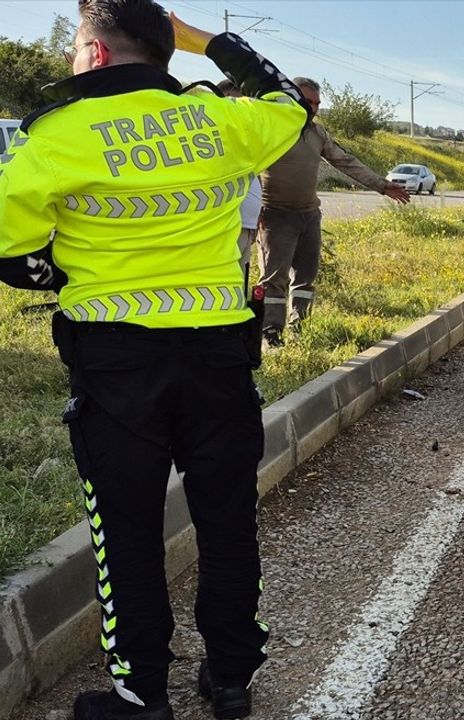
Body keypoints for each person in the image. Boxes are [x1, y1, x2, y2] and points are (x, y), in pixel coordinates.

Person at [0, 4, 310, 718]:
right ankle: (232, 678)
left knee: (128, 530)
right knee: (228, 520)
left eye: (79, 47)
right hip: (220, 358)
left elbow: (12, 252)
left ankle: (142, 698)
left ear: (97, 56)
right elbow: (287, 100)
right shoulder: (222, 122)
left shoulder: (56, 135)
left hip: (116, 365)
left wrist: (65, 276)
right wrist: (204, 40)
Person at [256, 77, 410, 347]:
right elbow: (246, 168)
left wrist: (382, 185)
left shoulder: (317, 134)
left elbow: (345, 161)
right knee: (274, 281)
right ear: (290, 97)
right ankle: (271, 333)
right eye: (308, 101)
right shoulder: (268, 128)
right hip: (276, 216)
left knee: (305, 278)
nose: (312, 107)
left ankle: (299, 327)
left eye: (316, 103)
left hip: (308, 216)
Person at [216, 78, 262, 285]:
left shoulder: (245, 138)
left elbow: (255, 177)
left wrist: (255, 219)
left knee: (238, 282)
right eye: (232, 103)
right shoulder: (215, 139)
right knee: (223, 281)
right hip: (227, 226)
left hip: (246, 224)